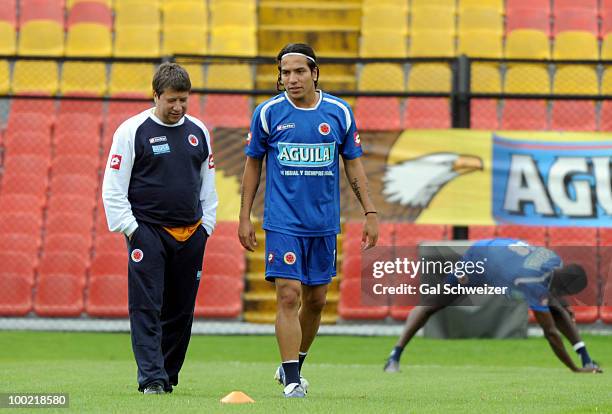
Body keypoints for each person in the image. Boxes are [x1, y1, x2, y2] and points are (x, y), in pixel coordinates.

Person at [238, 43, 379, 398]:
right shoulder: (268, 113)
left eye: (299, 71)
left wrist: (370, 212)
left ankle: (294, 365)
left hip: (323, 224)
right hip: (282, 221)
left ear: (314, 73)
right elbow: (253, 163)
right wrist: (244, 215)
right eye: (285, 73)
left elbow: (354, 165)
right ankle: (292, 382)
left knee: (316, 301)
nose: (292, 79)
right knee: (288, 296)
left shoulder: (339, 113)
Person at [102, 62, 218, 394]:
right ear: (155, 96)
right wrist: (132, 230)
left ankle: (167, 375)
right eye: (171, 100)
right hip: (148, 231)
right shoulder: (132, 130)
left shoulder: (198, 131)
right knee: (147, 306)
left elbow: (207, 186)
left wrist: (205, 227)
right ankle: (151, 378)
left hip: (191, 232)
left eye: (184, 100)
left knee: (181, 310)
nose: (178, 107)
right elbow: (113, 187)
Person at [383, 238, 603, 374]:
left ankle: (585, 357)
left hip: (497, 251)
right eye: (566, 292)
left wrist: (562, 303)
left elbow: (552, 291)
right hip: (477, 262)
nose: (563, 295)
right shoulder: (533, 281)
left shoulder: (555, 260)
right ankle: (394, 357)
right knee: (433, 304)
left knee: (556, 306)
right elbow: (551, 334)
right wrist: (574, 370)